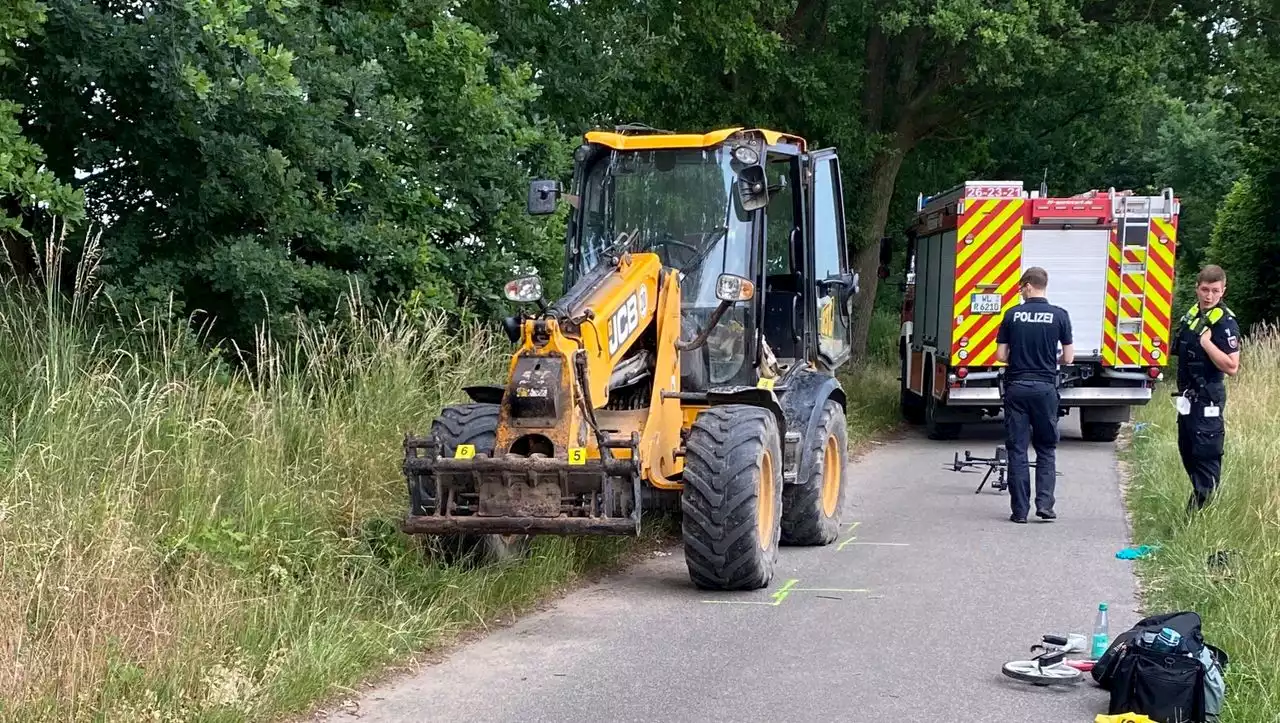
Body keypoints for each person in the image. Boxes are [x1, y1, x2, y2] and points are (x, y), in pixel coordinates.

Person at [995, 267, 1074, 524]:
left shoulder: (1012, 315)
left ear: (1028, 286)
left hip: (1017, 387)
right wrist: (1052, 360)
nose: (1020, 292)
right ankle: (1045, 505)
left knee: (1017, 449)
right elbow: (1069, 357)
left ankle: (1019, 511)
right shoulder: (1060, 316)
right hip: (1045, 388)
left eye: (1020, 288)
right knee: (1046, 448)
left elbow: (1001, 356)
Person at [1171, 264, 1241, 511]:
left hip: (1208, 397)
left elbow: (1232, 366)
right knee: (1188, 451)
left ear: (1223, 291)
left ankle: (1199, 515)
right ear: (1197, 289)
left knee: (1206, 455)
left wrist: (1207, 344)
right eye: (1205, 290)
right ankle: (1198, 507)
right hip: (1188, 399)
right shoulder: (1191, 317)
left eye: (1215, 291)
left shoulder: (1224, 323)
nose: (1209, 296)